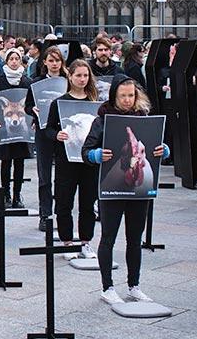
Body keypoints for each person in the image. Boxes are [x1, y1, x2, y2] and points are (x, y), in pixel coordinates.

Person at [83, 75, 170, 305]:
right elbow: (86, 151)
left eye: (131, 95)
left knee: (135, 237)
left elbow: (154, 144)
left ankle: (134, 285)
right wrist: (95, 155)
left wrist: (164, 150)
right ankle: (107, 287)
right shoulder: (102, 119)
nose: (127, 100)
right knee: (108, 237)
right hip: (112, 186)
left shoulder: (144, 117)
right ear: (114, 96)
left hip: (138, 189)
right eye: (123, 96)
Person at [45, 59, 100, 259]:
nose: (82, 79)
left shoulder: (95, 102)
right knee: (64, 201)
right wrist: (56, 135)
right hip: (66, 160)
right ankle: (67, 241)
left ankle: (86, 242)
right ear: (70, 76)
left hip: (89, 161)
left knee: (88, 202)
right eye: (78, 75)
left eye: (85, 75)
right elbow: (48, 129)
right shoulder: (59, 103)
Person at [29, 45, 66, 231]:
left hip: (62, 132)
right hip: (43, 132)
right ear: (44, 62)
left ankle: (60, 213)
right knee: (44, 176)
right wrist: (32, 110)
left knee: (62, 175)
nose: (54, 64)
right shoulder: (36, 82)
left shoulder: (67, 81)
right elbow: (28, 104)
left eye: (57, 60)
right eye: (50, 60)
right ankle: (45, 214)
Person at [0, 49, 33, 208]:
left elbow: (31, 104)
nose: (14, 61)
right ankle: (6, 194)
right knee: (6, 163)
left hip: (22, 130)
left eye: (17, 59)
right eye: (11, 59)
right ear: (6, 61)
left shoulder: (27, 82)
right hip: (4, 129)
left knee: (20, 163)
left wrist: (33, 119)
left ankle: (17, 195)